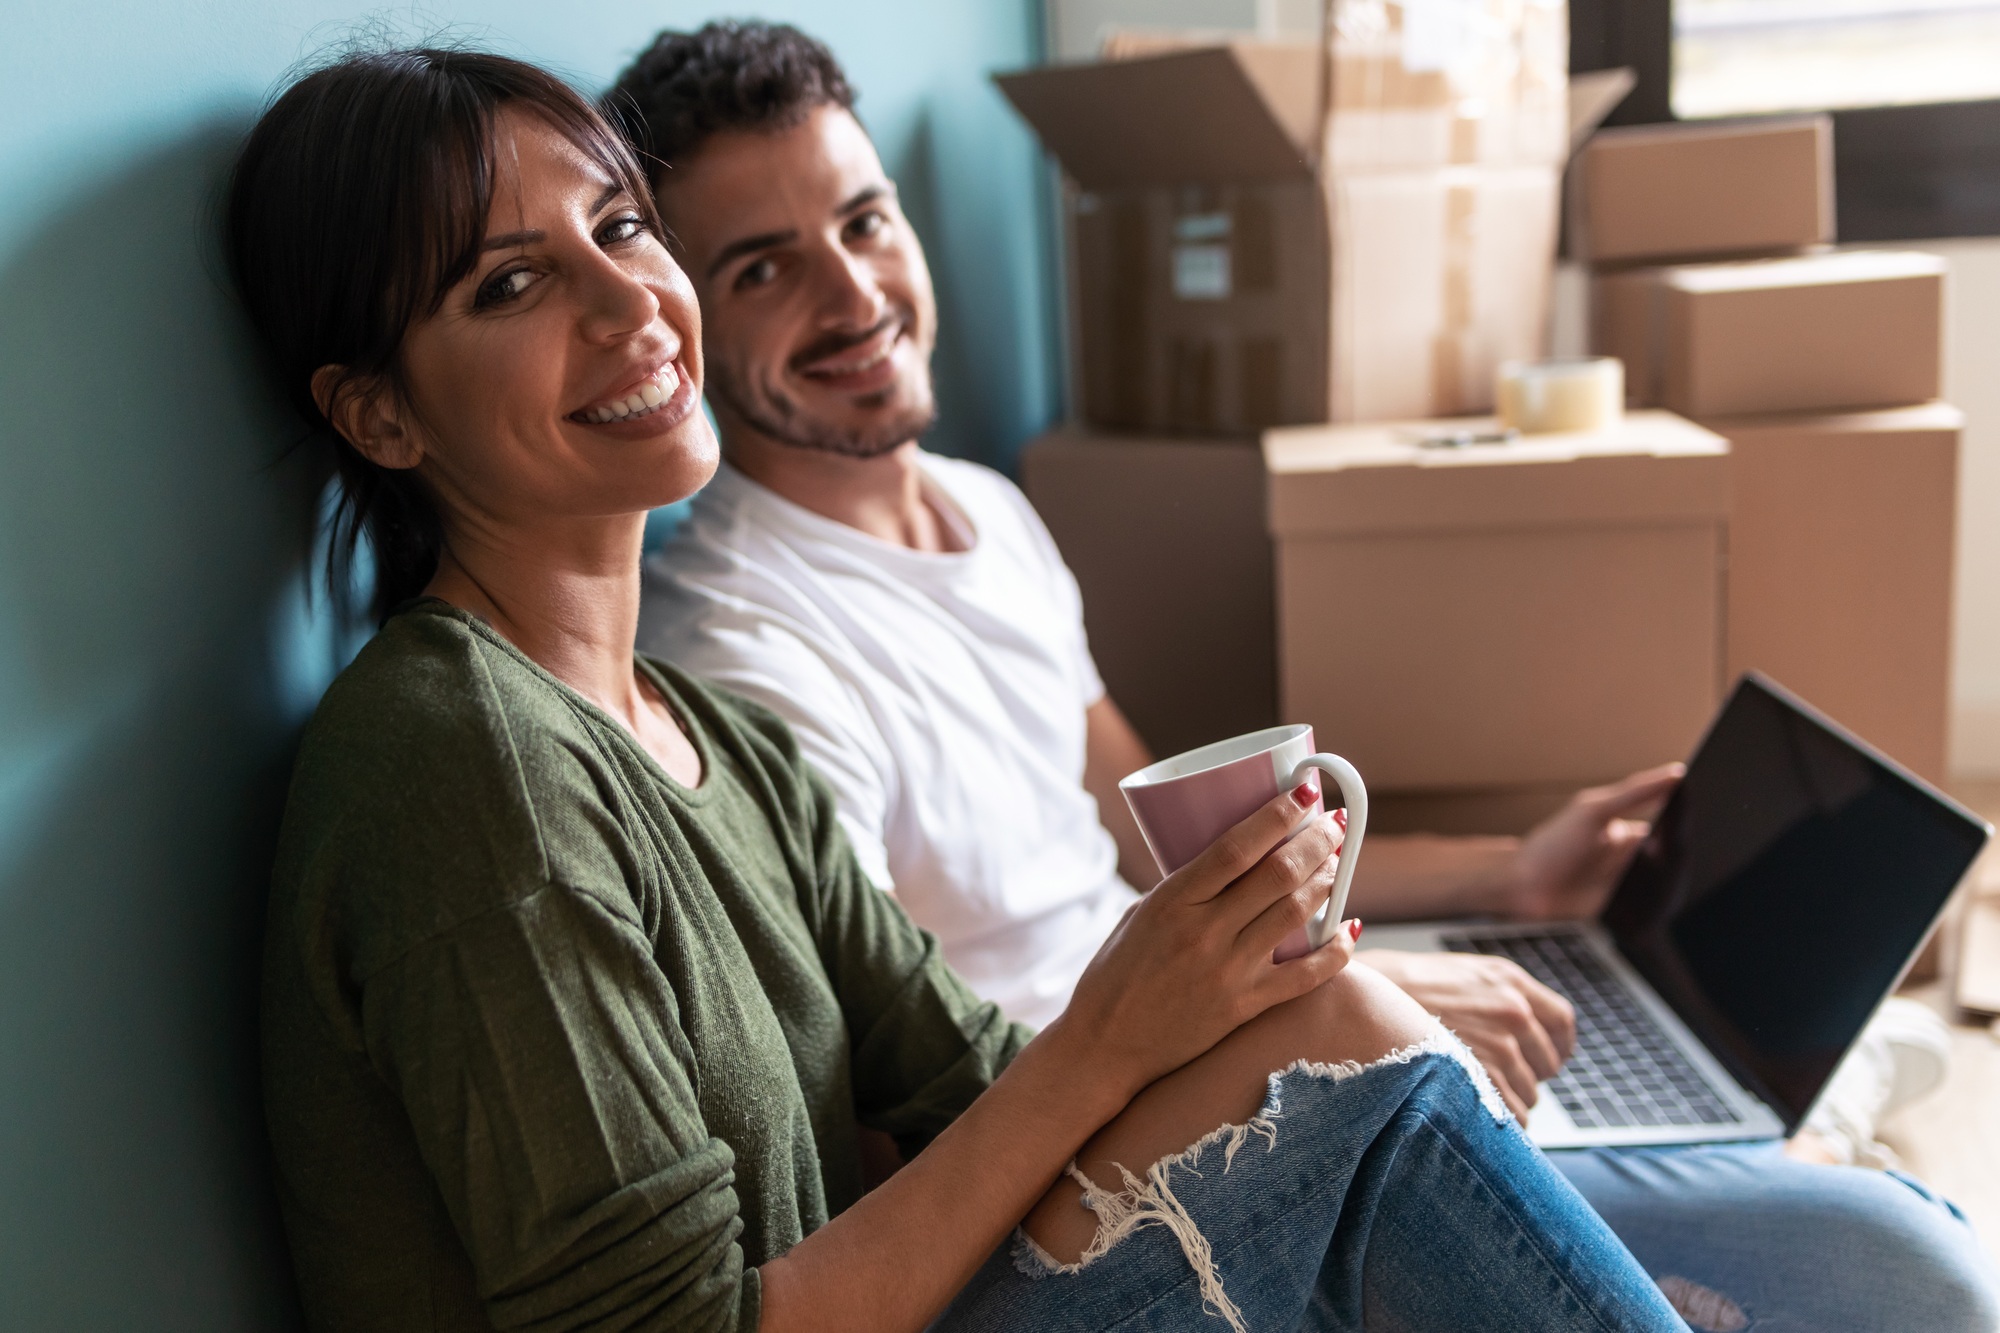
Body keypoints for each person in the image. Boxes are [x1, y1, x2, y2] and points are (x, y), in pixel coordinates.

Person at [237, 46, 1695, 1333]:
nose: (629, 297)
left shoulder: (713, 739)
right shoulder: (465, 759)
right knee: (1356, 1050)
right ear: (376, 410)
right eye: (511, 282)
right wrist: (1142, 1028)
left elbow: (971, 1076)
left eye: (620, 228)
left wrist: (1238, 977)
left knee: (1851, 1256)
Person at [619, 21, 2000, 1331]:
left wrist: (1502, 879)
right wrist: (1331, 1027)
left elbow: (1167, 841)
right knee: (1901, 1276)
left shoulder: (986, 511)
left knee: (1913, 1252)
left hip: (1234, 1050)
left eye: (863, 221)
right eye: (762, 268)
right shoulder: (746, 655)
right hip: (1123, 1178)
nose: (852, 292)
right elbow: (881, 1120)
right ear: (681, 317)